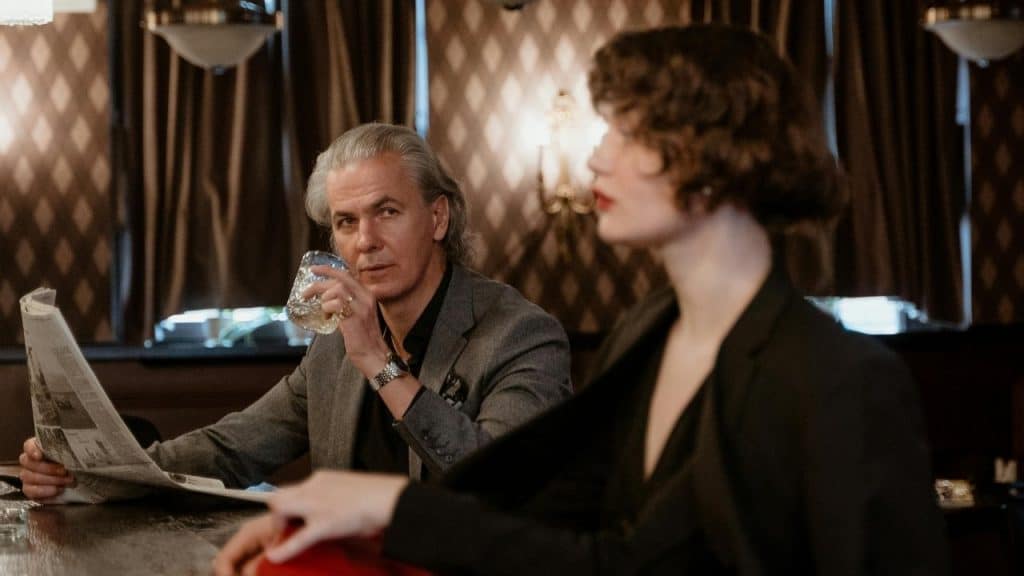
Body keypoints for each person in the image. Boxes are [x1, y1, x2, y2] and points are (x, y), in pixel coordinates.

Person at [215, 25, 950, 575]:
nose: (596, 155)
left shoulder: (841, 378)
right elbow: (581, 540)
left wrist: (385, 508)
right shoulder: (647, 332)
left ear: (718, 156)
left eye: (626, 131)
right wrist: (344, 514)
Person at [18, 123, 572, 501]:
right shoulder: (338, 344)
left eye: (386, 211)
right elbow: (231, 448)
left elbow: (503, 486)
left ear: (437, 218)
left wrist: (380, 363)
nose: (365, 242)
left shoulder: (519, 334)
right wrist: (88, 474)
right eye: (347, 222)